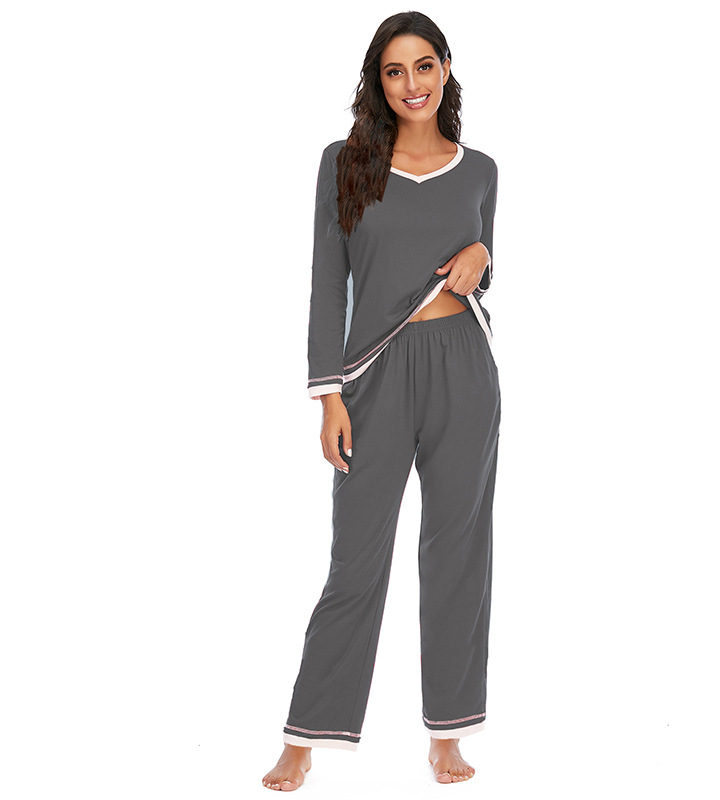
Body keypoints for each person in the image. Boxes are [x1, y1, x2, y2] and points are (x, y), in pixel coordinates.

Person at [262, 10, 501, 790]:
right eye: (395, 71)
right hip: (374, 376)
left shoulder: (480, 169)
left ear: (445, 69)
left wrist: (481, 251)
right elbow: (326, 281)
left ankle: (448, 733)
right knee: (356, 563)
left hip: (464, 366)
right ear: (379, 81)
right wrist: (328, 395)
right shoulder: (345, 163)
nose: (411, 84)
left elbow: (484, 265)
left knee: (458, 553)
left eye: (424, 66)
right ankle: (306, 733)